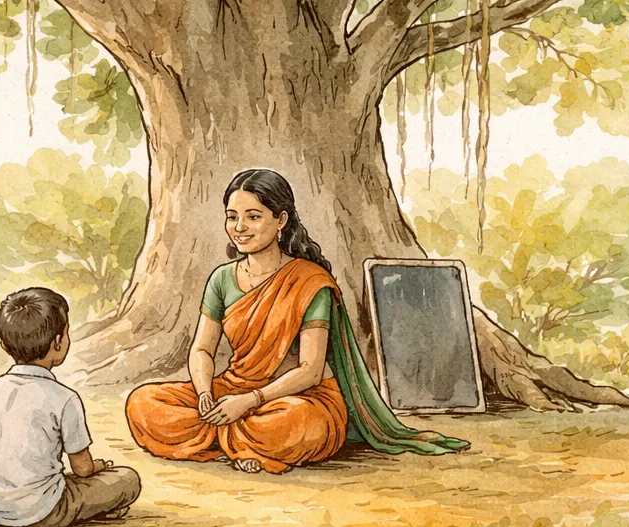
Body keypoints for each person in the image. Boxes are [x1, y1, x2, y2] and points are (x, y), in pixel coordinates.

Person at [125, 168, 469, 474]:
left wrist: (248, 402)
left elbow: (310, 370)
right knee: (143, 404)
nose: (240, 228)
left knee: (297, 424)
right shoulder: (221, 279)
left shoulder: (309, 281)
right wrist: (203, 393)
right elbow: (202, 348)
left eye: (253, 216)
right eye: (232, 217)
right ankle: (240, 440)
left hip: (300, 398)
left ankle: (231, 437)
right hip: (233, 388)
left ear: (281, 220)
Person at [0, 287, 140, 527]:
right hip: (42, 511)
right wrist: (99, 467)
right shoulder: (64, 397)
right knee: (127, 479)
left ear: (5, 346)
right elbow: (82, 469)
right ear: (59, 342)